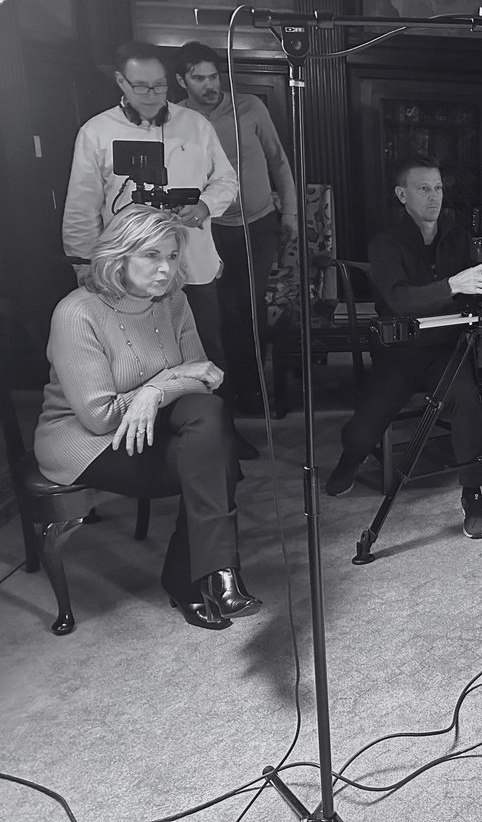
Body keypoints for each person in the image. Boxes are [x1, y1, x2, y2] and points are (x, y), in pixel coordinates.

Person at [35, 206, 261, 630]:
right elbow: (100, 416)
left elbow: (202, 381)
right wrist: (168, 384)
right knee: (215, 459)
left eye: (172, 257)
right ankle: (200, 578)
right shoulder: (77, 312)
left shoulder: (174, 302)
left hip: (151, 423)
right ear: (119, 256)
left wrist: (156, 390)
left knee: (209, 416)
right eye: (150, 256)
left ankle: (214, 575)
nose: (164, 269)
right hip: (85, 440)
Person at [62, 40, 258, 459]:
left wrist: (205, 205)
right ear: (121, 81)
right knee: (137, 357)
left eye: (159, 86)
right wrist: (82, 261)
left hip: (192, 262)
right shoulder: (96, 132)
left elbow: (227, 180)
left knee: (209, 350)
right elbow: (81, 204)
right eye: (141, 86)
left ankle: (221, 434)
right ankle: (145, 439)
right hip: (126, 272)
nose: (152, 95)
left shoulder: (196, 125)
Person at [325, 155, 482, 540]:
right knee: (362, 431)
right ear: (402, 194)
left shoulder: (457, 233)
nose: (434, 197)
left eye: (438, 188)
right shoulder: (385, 243)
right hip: (399, 352)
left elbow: (478, 281)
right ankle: (349, 460)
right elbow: (399, 299)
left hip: (445, 348)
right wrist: (453, 284)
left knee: (467, 399)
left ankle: (472, 491)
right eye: (423, 189)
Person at [175, 40, 298, 416]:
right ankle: (225, 394)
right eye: (199, 78)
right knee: (217, 313)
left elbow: (279, 160)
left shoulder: (250, 107)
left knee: (247, 307)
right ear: (182, 81)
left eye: (214, 76)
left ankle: (253, 391)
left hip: (259, 223)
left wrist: (290, 213)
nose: (210, 85)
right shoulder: (179, 120)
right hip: (209, 230)